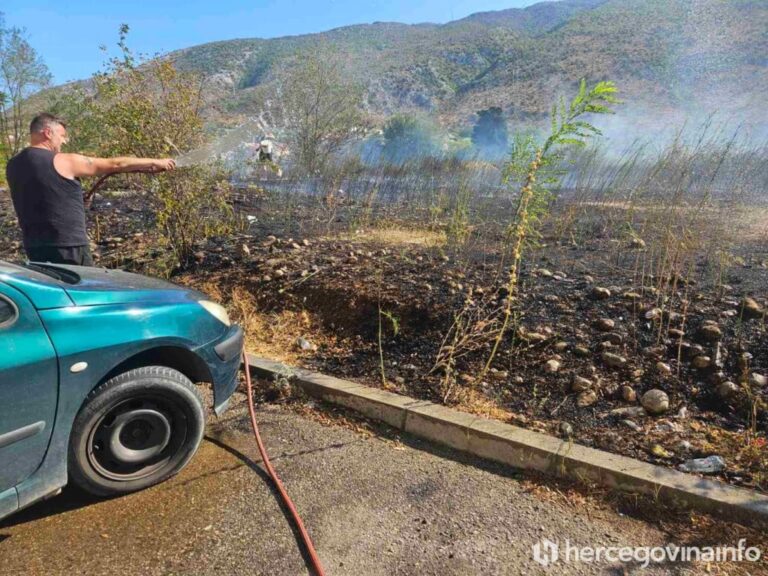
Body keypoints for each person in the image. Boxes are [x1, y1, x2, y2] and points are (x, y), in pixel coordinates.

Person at [6, 113, 176, 266]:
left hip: (34, 247)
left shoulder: (13, 165)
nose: (64, 141)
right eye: (62, 136)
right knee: (83, 297)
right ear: (48, 133)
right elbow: (115, 164)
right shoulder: (63, 160)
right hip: (69, 247)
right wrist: (157, 162)